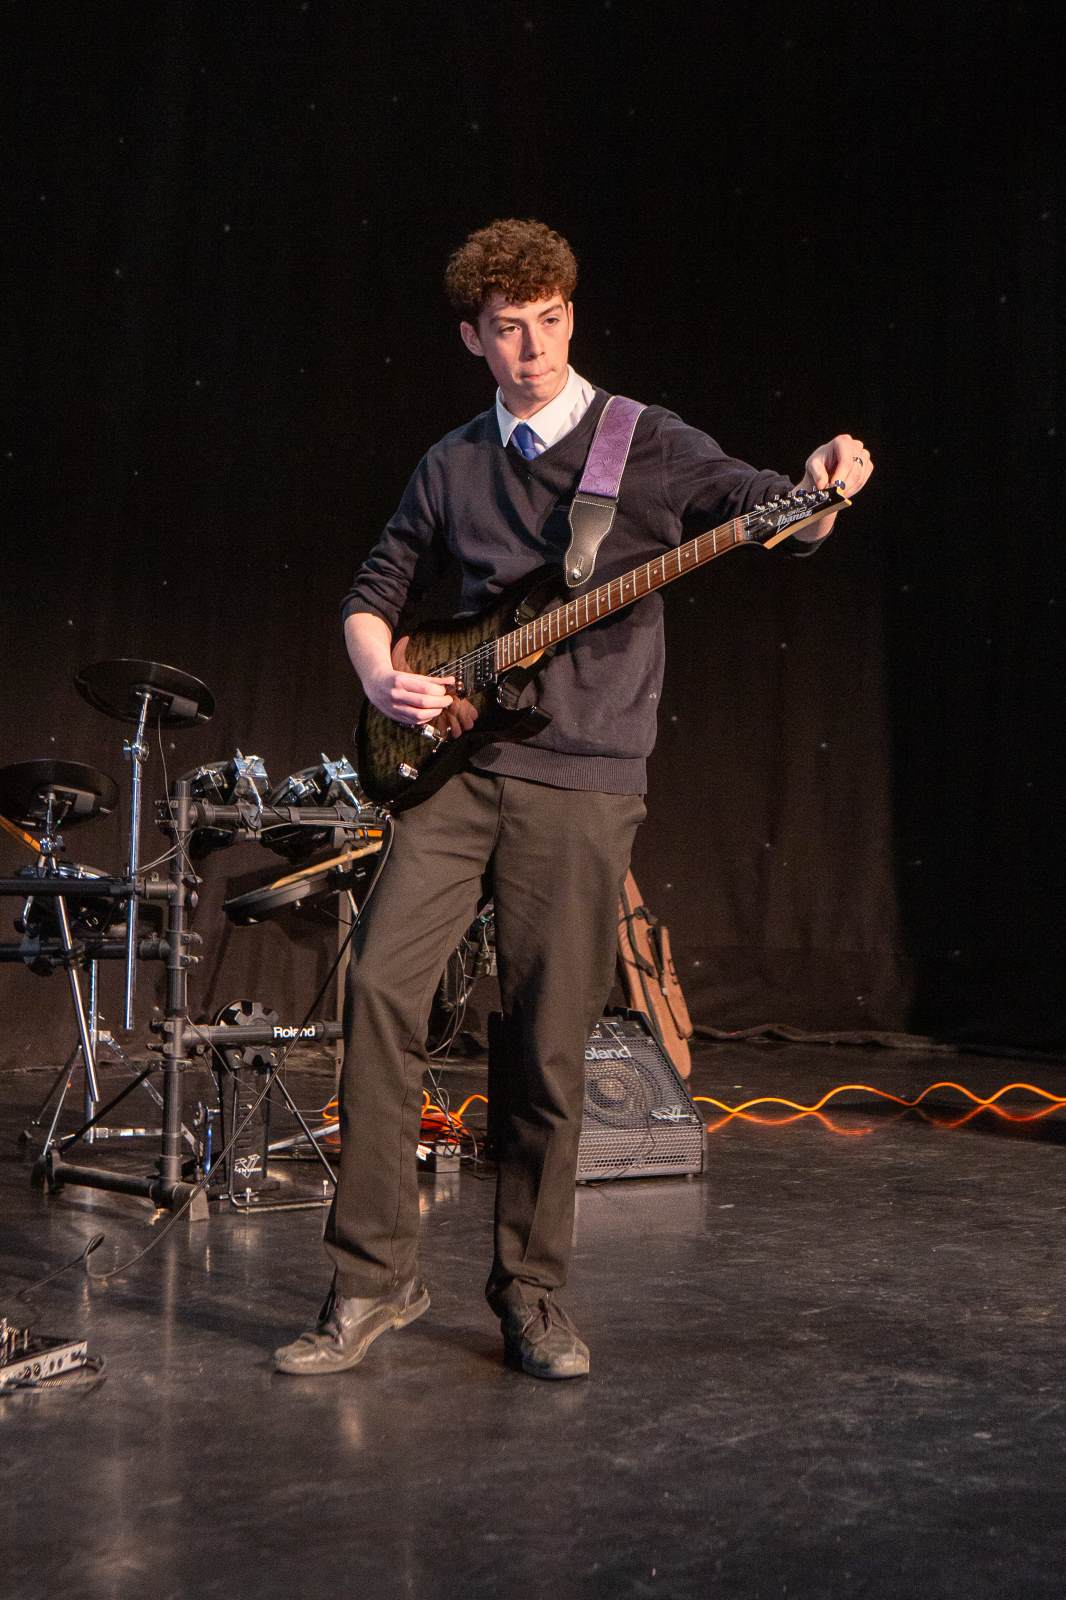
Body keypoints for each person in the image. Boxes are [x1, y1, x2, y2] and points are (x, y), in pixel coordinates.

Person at [274, 218, 873, 1380]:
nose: (535, 346)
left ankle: (531, 1291)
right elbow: (373, 589)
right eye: (509, 328)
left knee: (545, 1043)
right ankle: (371, 1279)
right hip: (454, 772)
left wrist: (822, 488)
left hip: (583, 779)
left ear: (570, 316)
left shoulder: (642, 442)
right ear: (473, 338)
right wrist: (379, 674)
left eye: (551, 320)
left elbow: (777, 513)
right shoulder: (451, 462)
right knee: (380, 992)